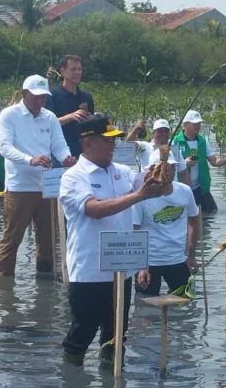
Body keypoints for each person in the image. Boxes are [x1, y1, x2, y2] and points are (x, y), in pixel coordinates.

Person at [59, 114, 167, 364]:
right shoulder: (74, 176)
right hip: (89, 270)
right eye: (107, 141)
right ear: (87, 143)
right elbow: (94, 209)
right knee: (81, 336)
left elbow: (159, 188)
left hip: (121, 268)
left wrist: (163, 172)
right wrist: (139, 196)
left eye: (114, 140)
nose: (113, 145)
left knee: (116, 336)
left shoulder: (122, 171)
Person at [0, 75, 75, 275]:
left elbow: (59, 144)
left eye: (44, 97)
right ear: (25, 94)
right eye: (37, 96)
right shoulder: (9, 114)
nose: (41, 101)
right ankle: (3, 286)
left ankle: (46, 286)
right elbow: (4, 147)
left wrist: (66, 158)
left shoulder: (49, 117)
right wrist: (29, 160)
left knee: (49, 241)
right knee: (11, 239)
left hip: (47, 187)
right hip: (19, 186)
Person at [132, 149, 199, 296]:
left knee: (184, 306)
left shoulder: (185, 191)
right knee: (146, 309)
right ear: (152, 169)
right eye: (164, 167)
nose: (169, 171)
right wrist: (140, 266)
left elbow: (194, 222)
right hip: (150, 262)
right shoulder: (141, 196)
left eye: (172, 167)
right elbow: (134, 230)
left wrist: (191, 255)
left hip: (178, 259)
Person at [171, 110, 226, 213]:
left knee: (212, 213)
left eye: (199, 123)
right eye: (195, 123)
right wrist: (184, 163)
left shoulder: (203, 141)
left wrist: (224, 160)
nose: (198, 126)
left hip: (201, 187)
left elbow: (214, 161)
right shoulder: (175, 141)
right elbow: (170, 166)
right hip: (182, 187)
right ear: (186, 124)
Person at [46, 54, 95, 157]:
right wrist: (71, 116)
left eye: (79, 69)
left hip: (83, 154)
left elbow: (91, 129)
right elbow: (46, 125)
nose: (77, 72)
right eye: (73, 69)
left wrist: (91, 120)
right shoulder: (51, 95)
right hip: (59, 154)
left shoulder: (87, 97)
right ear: (62, 72)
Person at [125, 118, 190, 185]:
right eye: (160, 131)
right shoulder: (145, 146)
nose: (163, 134)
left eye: (166, 131)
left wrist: (186, 191)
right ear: (153, 133)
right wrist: (135, 129)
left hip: (171, 191)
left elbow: (184, 173)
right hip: (150, 189)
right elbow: (128, 144)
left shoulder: (174, 150)